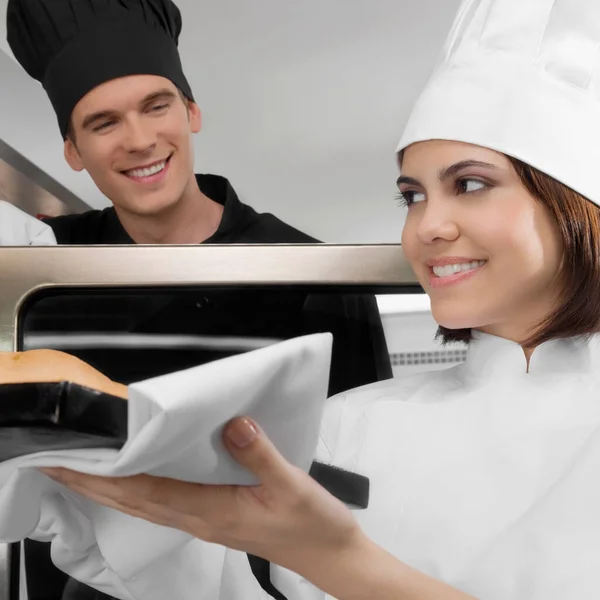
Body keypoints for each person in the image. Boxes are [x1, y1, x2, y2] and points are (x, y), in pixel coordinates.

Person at [41, 0, 600, 598]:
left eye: (470, 184)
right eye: (412, 196)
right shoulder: (352, 426)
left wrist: (336, 559)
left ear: (573, 199)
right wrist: (68, 500)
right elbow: (217, 571)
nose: (429, 225)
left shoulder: (314, 290)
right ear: (72, 150)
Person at [5, 2, 391, 598]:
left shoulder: (314, 276)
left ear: (191, 111)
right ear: (73, 151)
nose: (139, 140)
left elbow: (367, 483)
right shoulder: (37, 277)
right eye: (103, 123)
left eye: (156, 107)